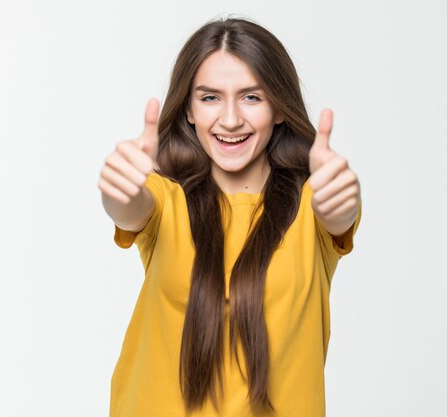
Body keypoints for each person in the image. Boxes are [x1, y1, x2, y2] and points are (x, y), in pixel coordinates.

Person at [98, 16, 362, 417]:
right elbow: (131, 208)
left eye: (252, 97)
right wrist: (121, 188)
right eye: (210, 98)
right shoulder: (167, 199)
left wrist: (340, 199)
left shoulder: (312, 205)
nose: (231, 119)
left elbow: (339, 215)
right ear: (187, 110)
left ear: (278, 108)